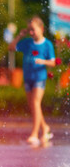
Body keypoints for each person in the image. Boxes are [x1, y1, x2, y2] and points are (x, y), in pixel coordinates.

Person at [9, 16, 55, 148]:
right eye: (29, 30)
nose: (31, 33)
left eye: (33, 30)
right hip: (28, 77)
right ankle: (45, 127)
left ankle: (34, 134)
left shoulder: (47, 45)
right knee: (33, 106)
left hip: (39, 77)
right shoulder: (27, 42)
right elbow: (11, 48)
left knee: (35, 103)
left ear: (41, 29)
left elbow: (53, 62)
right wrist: (19, 35)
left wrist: (43, 61)